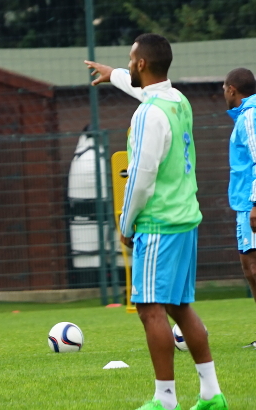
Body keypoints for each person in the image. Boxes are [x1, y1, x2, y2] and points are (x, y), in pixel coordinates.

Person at [85, 34, 228, 410]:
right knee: (180, 306)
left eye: (130, 60)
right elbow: (146, 95)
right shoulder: (177, 101)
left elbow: (142, 176)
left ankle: (165, 401)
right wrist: (113, 74)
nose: (129, 64)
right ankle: (213, 395)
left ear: (142, 64)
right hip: (185, 220)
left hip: (159, 224)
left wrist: (126, 223)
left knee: (150, 309)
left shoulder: (147, 115)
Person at [221, 68, 256, 347]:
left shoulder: (250, 116)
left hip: (251, 202)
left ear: (232, 89)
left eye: (224, 88)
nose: (223, 93)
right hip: (244, 203)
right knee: (249, 266)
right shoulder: (244, 116)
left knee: (253, 267)